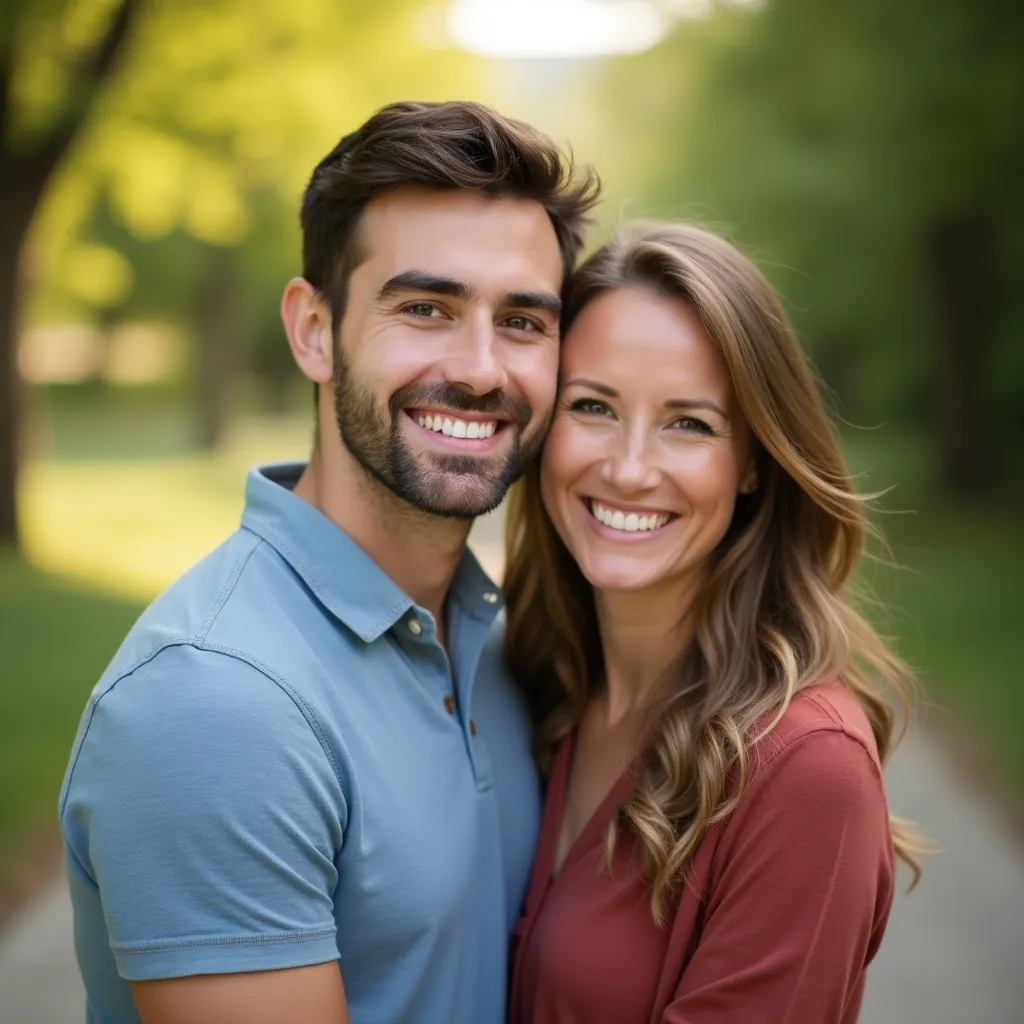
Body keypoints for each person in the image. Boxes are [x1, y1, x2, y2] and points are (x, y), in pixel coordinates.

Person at [59, 100, 599, 1024]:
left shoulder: (491, 634)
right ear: (314, 330)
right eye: (425, 308)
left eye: (522, 322)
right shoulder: (218, 704)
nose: (479, 369)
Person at [504, 222, 920, 1023]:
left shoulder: (805, 767)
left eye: (688, 423)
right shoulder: (536, 682)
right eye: (592, 406)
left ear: (756, 459)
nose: (627, 468)